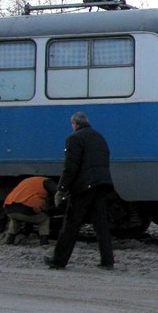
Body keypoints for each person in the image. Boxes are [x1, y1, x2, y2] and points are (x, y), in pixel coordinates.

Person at [45, 111, 115, 270]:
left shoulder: (74, 138)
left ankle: (58, 261)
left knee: (71, 224)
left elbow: (70, 167)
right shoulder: (99, 137)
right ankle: (107, 261)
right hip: (101, 185)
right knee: (101, 225)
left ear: (74, 124)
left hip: (84, 188)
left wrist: (61, 189)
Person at [3, 176, 58, 246]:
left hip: (9, 207)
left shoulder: (28, 181)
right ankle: (44, 242)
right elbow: (58, 193)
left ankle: (10, 241)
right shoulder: (48, 182)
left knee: (15, 219)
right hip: (27, 208)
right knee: (45, 219)